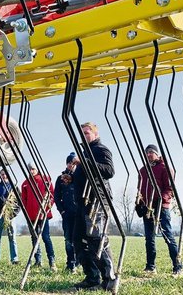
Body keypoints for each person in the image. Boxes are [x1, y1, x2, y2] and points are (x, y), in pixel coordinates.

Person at [70, 122, 116, 291]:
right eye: (82, 133)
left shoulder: (100, 150)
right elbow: (85, 176)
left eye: (87, 132)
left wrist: (85, 162)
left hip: (97, 202)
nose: (84, 135)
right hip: (83, 204)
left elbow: (109, 171)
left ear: (95, 134)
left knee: (97, 239)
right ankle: (92, 277)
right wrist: (71, 179)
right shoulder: (85, 153)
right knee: (78, 240)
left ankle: (110, 279)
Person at [137, 144, 183, 276]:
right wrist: (139, 203)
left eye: (151, 152)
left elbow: (169, 189)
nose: (149, 154)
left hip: (161, 207)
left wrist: (160, 201)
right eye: (147, 152)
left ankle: (178, 266)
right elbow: (140, 189)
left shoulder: (165, 167)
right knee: (149, 238)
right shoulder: (142, 170)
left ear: (157, 154)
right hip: (147, 207)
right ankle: (150, 267)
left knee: (167, 236)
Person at [21, 162, 56, 271]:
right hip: (31, 215)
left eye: (33, 169)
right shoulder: (25, 183)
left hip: (43, 214)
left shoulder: (45, 179)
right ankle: (38, 260)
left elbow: (51, 195)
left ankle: (52, 261)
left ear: (37, 169)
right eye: (30, 169)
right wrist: (26, 212)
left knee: (46, 237)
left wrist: (46, 208)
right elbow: (24, 200)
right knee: (34, 238)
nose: (32, 171)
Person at [0, 169, 20, 265]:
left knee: (12, 238)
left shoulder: (14, 187)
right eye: (2, 174)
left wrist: (13, 214)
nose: (4, 176)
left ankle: (14, 259)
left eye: (5, 174)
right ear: (0, 175)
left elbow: (19, 203)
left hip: (10, 217)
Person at [55, 152, 78, 273]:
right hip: (67, 214)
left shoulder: (80, 177)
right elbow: (56, 196)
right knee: (68, 239)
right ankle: (71, 264)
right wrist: (62, 211)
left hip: (79, 213)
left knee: (79, 239)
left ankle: (79, 261)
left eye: (73, 163)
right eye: (69, 163)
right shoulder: (60, 179)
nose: (71, 165)